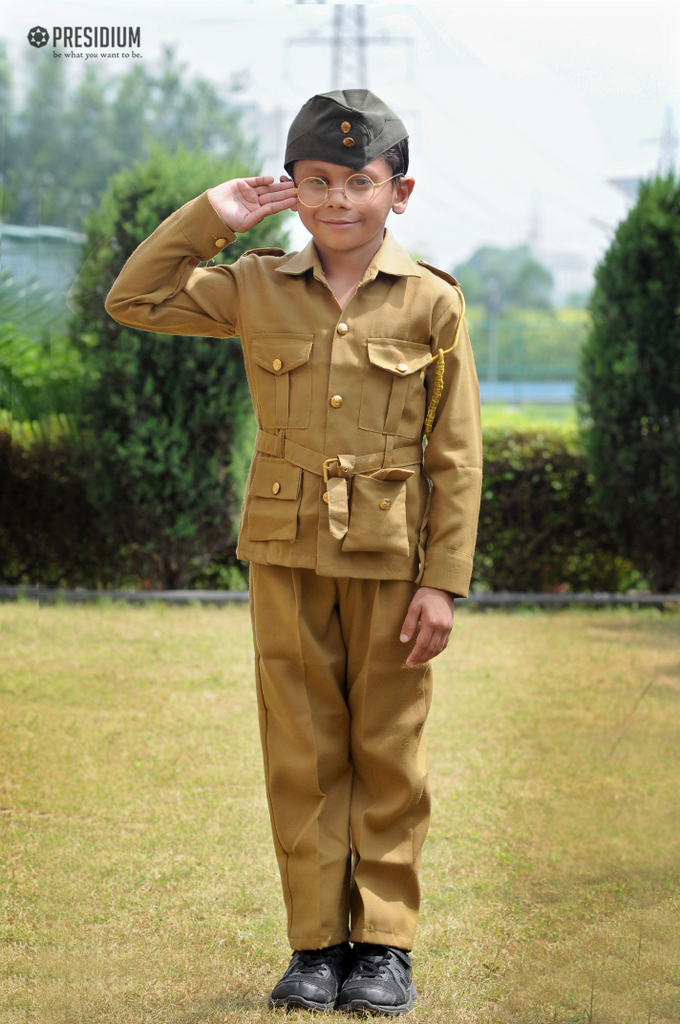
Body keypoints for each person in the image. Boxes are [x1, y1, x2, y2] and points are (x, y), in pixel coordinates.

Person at [105, 88, 482, 1015]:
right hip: (286, 553)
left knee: (387, 750)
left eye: (359, 180)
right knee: (302, 751)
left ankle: (384, 949)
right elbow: (135, 298)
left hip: (393, 563)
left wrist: (443, 583)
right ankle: (315, 947)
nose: (337, 200)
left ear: (400, 191)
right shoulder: (255, 287)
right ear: (294, 191)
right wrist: (212, 218)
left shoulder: (431, 303)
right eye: (315, 181)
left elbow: (457, 453)